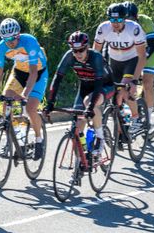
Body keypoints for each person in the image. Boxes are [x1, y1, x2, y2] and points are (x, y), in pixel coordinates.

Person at [45, 31, 114, 161]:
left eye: (81, 50)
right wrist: (50, 102)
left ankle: (100, 138)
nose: (78, 54)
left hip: (104, 85)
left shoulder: (96, 57)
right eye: (74, 51)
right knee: (76, 127)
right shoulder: (69, 56)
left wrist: (91, 106)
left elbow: (99, 83)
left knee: (89, 103)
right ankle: (80, 164)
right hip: (85, 86)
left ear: (87, 47)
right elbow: (57, 79)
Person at [0, 18, 48, 159]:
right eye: (6, 39)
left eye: (13, 38)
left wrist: (25, 94)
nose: (10, 42)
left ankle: (39, 139)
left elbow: (33, 73)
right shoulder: (1, 47)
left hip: (38, 72)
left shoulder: (29, 42)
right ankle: (14, 139)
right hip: (19, 72)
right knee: (6, 100)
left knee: (31, 108)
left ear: (18, 35)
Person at [93, 3, 147, 134]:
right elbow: (95, 52)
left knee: (124, 89)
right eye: (112, 20)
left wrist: (134, 80)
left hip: (131, 60)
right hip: (114, 61)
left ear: (125, 19)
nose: (115, 23)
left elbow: (142, 56)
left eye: (118, 20)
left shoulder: (134, 28)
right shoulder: (103, 28)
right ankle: (120, 116)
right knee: (114, 94)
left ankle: (136, 118)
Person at [123, 1, 154, 125]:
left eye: (131, 18)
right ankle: (131, 110)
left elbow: (151, 45)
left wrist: (142, 62)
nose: (128, 21)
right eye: (125, 19)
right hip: (135, 49)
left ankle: (148, 118)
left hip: (152, 48)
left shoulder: (145, 21)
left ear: (136, 16)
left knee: (146, 81)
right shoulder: (120, 25)